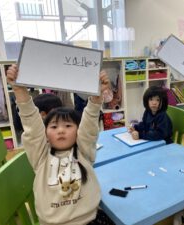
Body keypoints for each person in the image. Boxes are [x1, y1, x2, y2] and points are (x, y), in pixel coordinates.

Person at [6, 64, 114, 225]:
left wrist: (97, 98)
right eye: (54, 126)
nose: (61, 130)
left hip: (90, 221)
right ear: (45, 133)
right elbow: (31, 124)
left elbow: (90, 122)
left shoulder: (83, 150)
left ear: (78, 131)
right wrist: (20, 91)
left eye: (68, 126)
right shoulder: (41, 156)